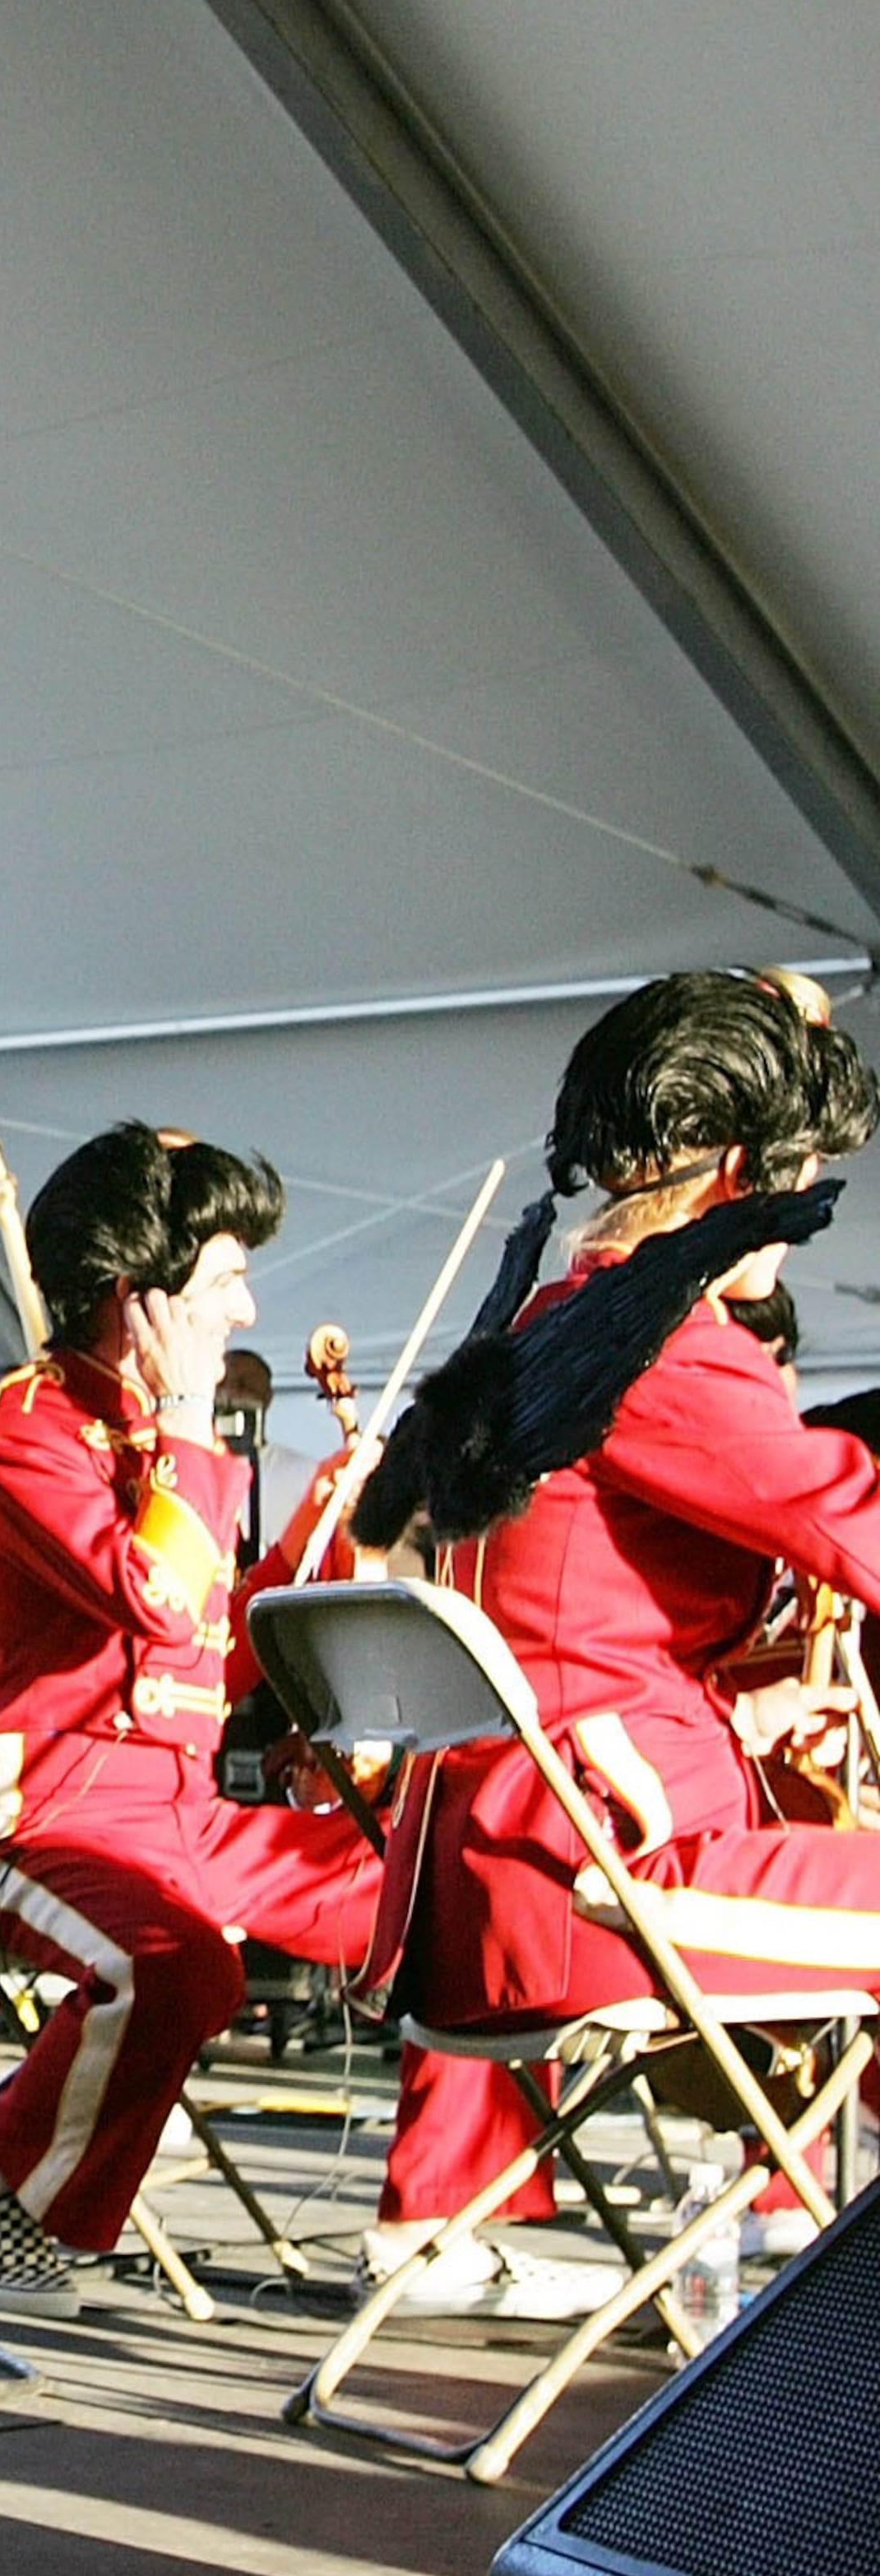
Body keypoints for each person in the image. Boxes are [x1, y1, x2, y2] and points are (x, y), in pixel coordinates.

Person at [382, 972, 880, 2273]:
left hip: (502, 1877)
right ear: (735, 1173)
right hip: (594, 1887)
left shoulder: (553, 1329)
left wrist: (745, 1709)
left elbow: (574, 1642)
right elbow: (854, 1525)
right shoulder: (669, 1346)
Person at [0, 1120, 382, 2310]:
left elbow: (209, 1671)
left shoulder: (157, 1443)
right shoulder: (28, 1428)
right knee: (181, 1971)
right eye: (227, 1278)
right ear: (139, 1298)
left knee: (433, 1885)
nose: (246, 1308)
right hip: (45, 1819)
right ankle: (1, 2184)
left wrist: (321, 1525)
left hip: (183, 1822)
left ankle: (443, 2214)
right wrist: (186, 1427)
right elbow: (154, 1597)